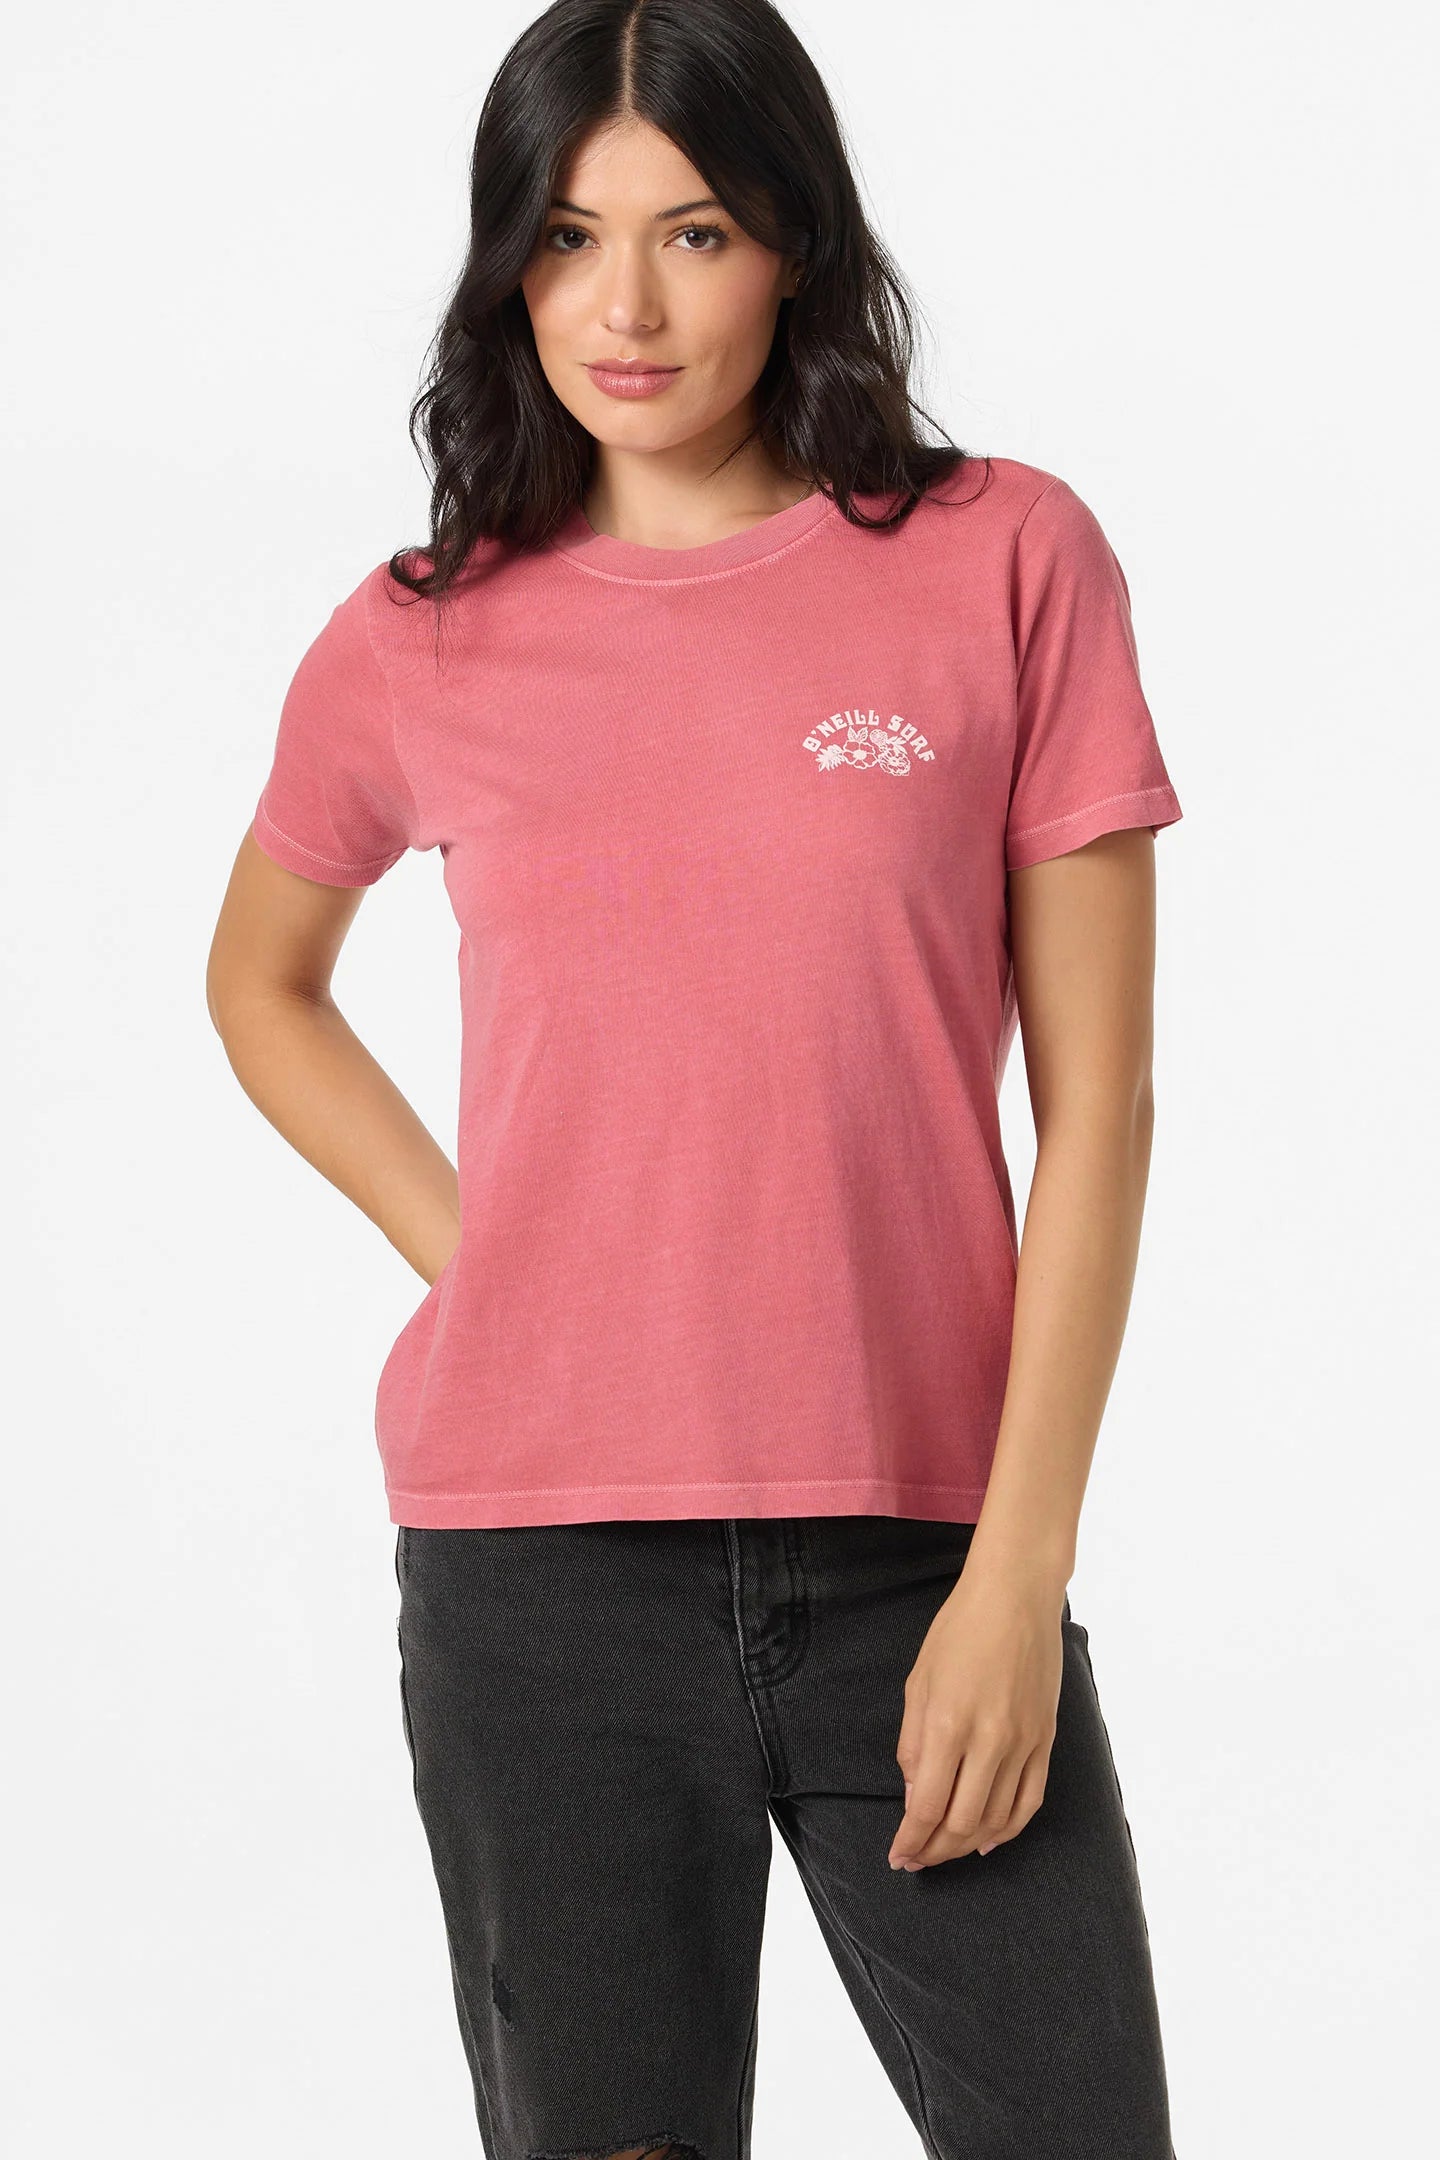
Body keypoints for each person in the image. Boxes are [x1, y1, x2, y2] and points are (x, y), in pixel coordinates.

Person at [206, 3, 1185, 2155]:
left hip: (922, 1552)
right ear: (508, 266)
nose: (624, 308)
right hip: (539, 1585)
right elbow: (262, 981)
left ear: (797, 242)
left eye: (697, 232)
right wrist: (484, 1250)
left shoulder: (1004, 560)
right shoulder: (421, 633)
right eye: (567, 239)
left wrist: (1018, 1574)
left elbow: (1099, 1113)